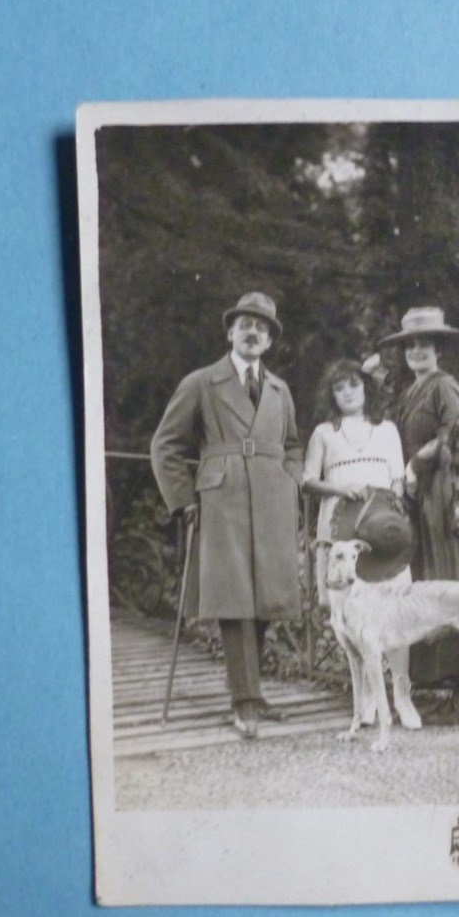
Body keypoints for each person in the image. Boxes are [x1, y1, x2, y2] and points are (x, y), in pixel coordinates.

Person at [149, 292, 303, 738]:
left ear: (270, 340)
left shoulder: (280, 389)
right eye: (245, 324)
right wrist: (185, 500)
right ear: (230, 332)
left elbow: (292, 443)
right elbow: (165, 446)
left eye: (262, 327)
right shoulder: (202, 382)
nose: (253, 332)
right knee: (235, 600)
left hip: (273, 500)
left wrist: (290, 478)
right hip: (224, 499)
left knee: (267, 598)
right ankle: (245, 700)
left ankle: (251, 690)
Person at [378, 306, 459, 691]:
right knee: (430, 577)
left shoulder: (444, 386)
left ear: (438, 350)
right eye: (411, 346)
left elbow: (456, 433)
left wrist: (416, 464)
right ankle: (439, 678)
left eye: (425, 344)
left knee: (455, 575)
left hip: (449, 490)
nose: (417, 351)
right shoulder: (411, 391)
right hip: (423, 494)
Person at [301, 358, 409, 605]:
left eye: (353, 385)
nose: (347, 393)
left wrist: (392, 506)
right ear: (331, 396)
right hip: (339, 518)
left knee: (388, 592)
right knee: (346, 599)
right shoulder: (324, 432)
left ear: (366, 388)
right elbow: (307, 480)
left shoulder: (387, 429)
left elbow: (397, 479)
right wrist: (341, 489)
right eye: (339, 389)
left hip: (380, 518)